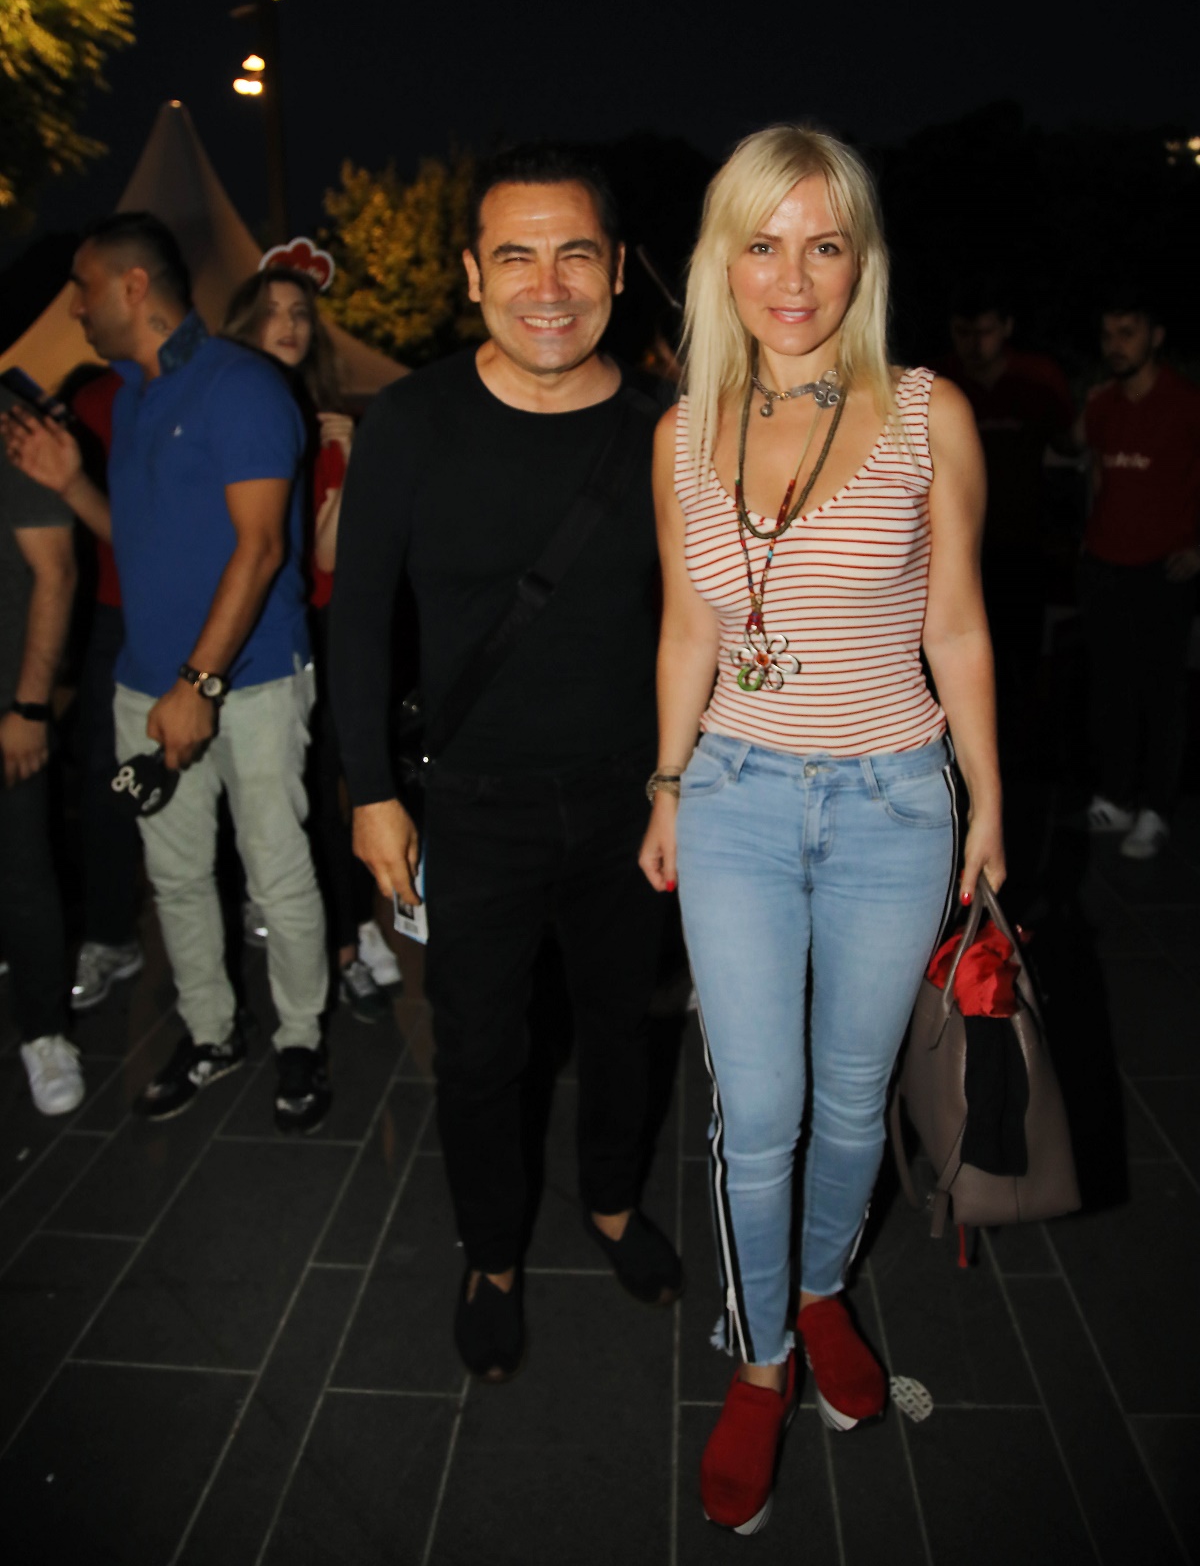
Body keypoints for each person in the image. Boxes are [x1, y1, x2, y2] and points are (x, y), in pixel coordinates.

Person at [639, 125, 1004, 1534]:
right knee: (761, 1109)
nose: (793, 277)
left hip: (894, 799)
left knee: (856, 1100)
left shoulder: (925, 413)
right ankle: (761, 1362)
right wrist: (666, 783)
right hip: (734, 794)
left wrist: (986, 800)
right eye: (763, 243)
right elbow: (688, 630)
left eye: (824, 244)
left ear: (863, 261)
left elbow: (955, 623)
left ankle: (816, 1288)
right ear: (721, 262)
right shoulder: (685, 431)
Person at [330, 143, 682, 1383]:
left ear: (617, 271)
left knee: (624, 1028)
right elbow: (358, 618)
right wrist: (373, 792)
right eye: (517, 257)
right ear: (475, 276)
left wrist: (684, 784)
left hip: (631, 801)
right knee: (480, 1053)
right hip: (470, 807)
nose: (549, 285)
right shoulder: (412, 422)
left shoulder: (665, 430)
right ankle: (491, 1252)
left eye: (575, 254)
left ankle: (612, 1201)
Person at [0, 212, 331, 1135]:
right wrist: (71, 484)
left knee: (276, 871)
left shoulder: (242, 386)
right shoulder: (135, 397)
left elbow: (261, 550)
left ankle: (301, 1039)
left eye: (83, 287)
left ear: (133, 286)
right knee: (177, 879)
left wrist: (200, 685)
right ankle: (213, 1032)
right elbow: (137, 542)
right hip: (148, 686)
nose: (75, 306)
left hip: (249, 683)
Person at [223, 265, 399, 1017]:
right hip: (241, 630)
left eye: (301, 312)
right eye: (273, 312)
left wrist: (349, 461)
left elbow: (329, 557)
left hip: (316, 631)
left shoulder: (325, 423)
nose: (290, 325)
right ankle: (305, 927)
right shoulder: (228, 413)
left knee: (335, 789)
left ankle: (348, 939)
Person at [929, 282, 1074, 759]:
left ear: (1007, 328)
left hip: (1021, 542)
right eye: (963, 332)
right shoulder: (938, 385)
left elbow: (1072, 448)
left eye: (985, 331)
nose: (975, 343)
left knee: (1020, 657)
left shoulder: (1038, 379)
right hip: (949, 551)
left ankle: (1022, 759)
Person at [1080, 292, 1200, 860]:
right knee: (1111, 688)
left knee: (1163, 693)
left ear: (1155, 336)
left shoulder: (1187, 403)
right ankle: (1117, 796)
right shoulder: (1103, 403)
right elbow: (1095, 470)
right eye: (1109, 334)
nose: (1116, 345)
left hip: (1164, 569)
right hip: (1106, 564)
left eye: (1128, 333)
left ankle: (1156, 809)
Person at [0, 386, 81, 1115]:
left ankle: (45, 1032)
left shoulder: (11, 424)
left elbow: (56, 571)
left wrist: (29, 706)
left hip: (6, 705)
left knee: (21, 871)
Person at [64, 365, 145, 1012]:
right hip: (112, 612)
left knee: (222, 772)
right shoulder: (92, 402)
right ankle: (112, 933)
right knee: (104, 777)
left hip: (203, 609)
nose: (78, 316)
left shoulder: (217, 386)